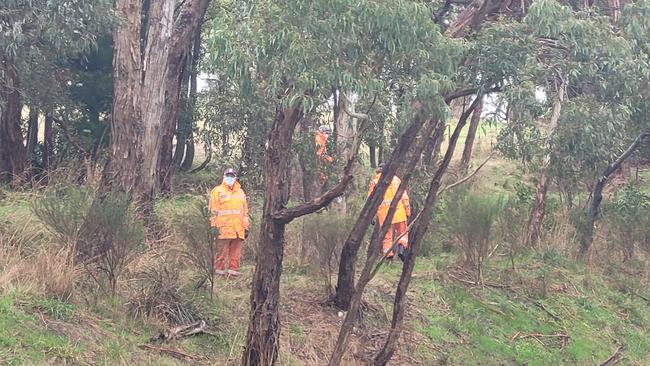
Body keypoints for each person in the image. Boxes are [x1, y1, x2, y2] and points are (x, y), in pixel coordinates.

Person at [209, 168, 250, 277]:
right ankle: (219, 275)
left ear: (236, 177)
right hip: (223, 229)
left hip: (238, 229)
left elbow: (245, 212)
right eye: (228, 175)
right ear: (223, 176)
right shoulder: (217, 191)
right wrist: (213, 227)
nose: (230, 178)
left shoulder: (241, 192)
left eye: (232, 176)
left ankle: (233, 275)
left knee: (235, 255)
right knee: (220, 254)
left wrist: (246, 227)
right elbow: (213, 211)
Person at [368, 163, 411, 261]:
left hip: (384, 214)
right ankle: (401, 249)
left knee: (386, 235)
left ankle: (388, 254)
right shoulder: (396, 180)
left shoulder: (374, 182)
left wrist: (371, 217)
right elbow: (404, 197)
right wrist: (408, 211)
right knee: (402, 233)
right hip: (399, 212)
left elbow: (370, 200)